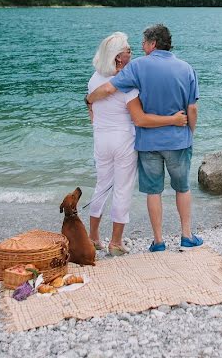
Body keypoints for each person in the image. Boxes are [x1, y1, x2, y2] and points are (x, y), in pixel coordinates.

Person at [86, 24, 202, 252]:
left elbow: (108, 90)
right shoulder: (186, 68)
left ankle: (158, 241)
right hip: (177, 140)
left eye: (143, 43)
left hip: (145, 143)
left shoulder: (136, 67)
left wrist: (89, 100)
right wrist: (189, 133)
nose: (139, 48)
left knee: (152, 191)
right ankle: (186, 235)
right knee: (182, 188)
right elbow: (192, 109)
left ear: (153, 43)